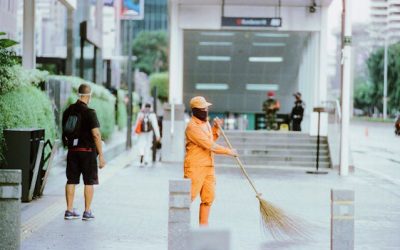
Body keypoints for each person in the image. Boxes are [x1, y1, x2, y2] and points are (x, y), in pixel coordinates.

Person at [184, 96, 237, 226]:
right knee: (187, 197)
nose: (206, 110)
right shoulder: (192, 127)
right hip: (195, 166)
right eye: (203, 108)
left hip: (208, 167)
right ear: (195, 110)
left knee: (208, 198)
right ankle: (179, 225)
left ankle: (204, 228)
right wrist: (228, 151)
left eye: (207, 108)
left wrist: (215, 128)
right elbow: (210, 145)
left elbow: (210, 140)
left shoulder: (206, 123)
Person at [62, 83, 105, 221]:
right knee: (89, 182)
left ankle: (69, 210)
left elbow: (65, 131)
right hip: (87, 152)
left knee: (71, 180)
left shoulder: (68, 110)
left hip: (73, 151)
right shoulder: (90, 112)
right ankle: (87, 212)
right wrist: (101, 156)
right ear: (88, 96)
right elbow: (96, 135)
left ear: (78, 95)